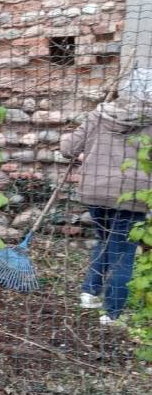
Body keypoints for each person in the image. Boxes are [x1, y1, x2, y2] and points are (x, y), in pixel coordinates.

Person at [61, 68, 152, 325]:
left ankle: (90, 293)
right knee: (123, 251)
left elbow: (68, 148)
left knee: (105, 240)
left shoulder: (99, 114)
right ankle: (112, 314)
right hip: (133, 196)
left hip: (95, 192)